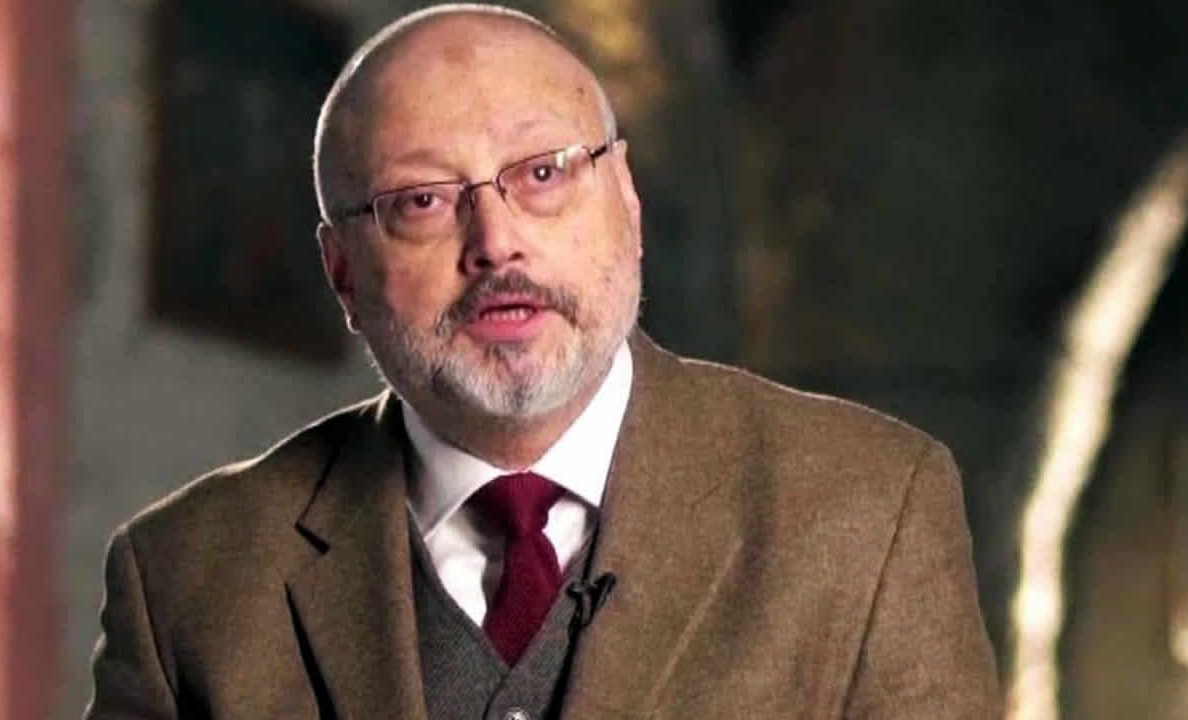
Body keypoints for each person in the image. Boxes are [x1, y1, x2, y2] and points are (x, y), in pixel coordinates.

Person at [85, 4, 1000, 718]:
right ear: (343, 275)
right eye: (422, 201)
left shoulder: (871, 511)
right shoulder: (185, 581)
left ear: (626, 203)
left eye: (543, 174)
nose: (496, 243)